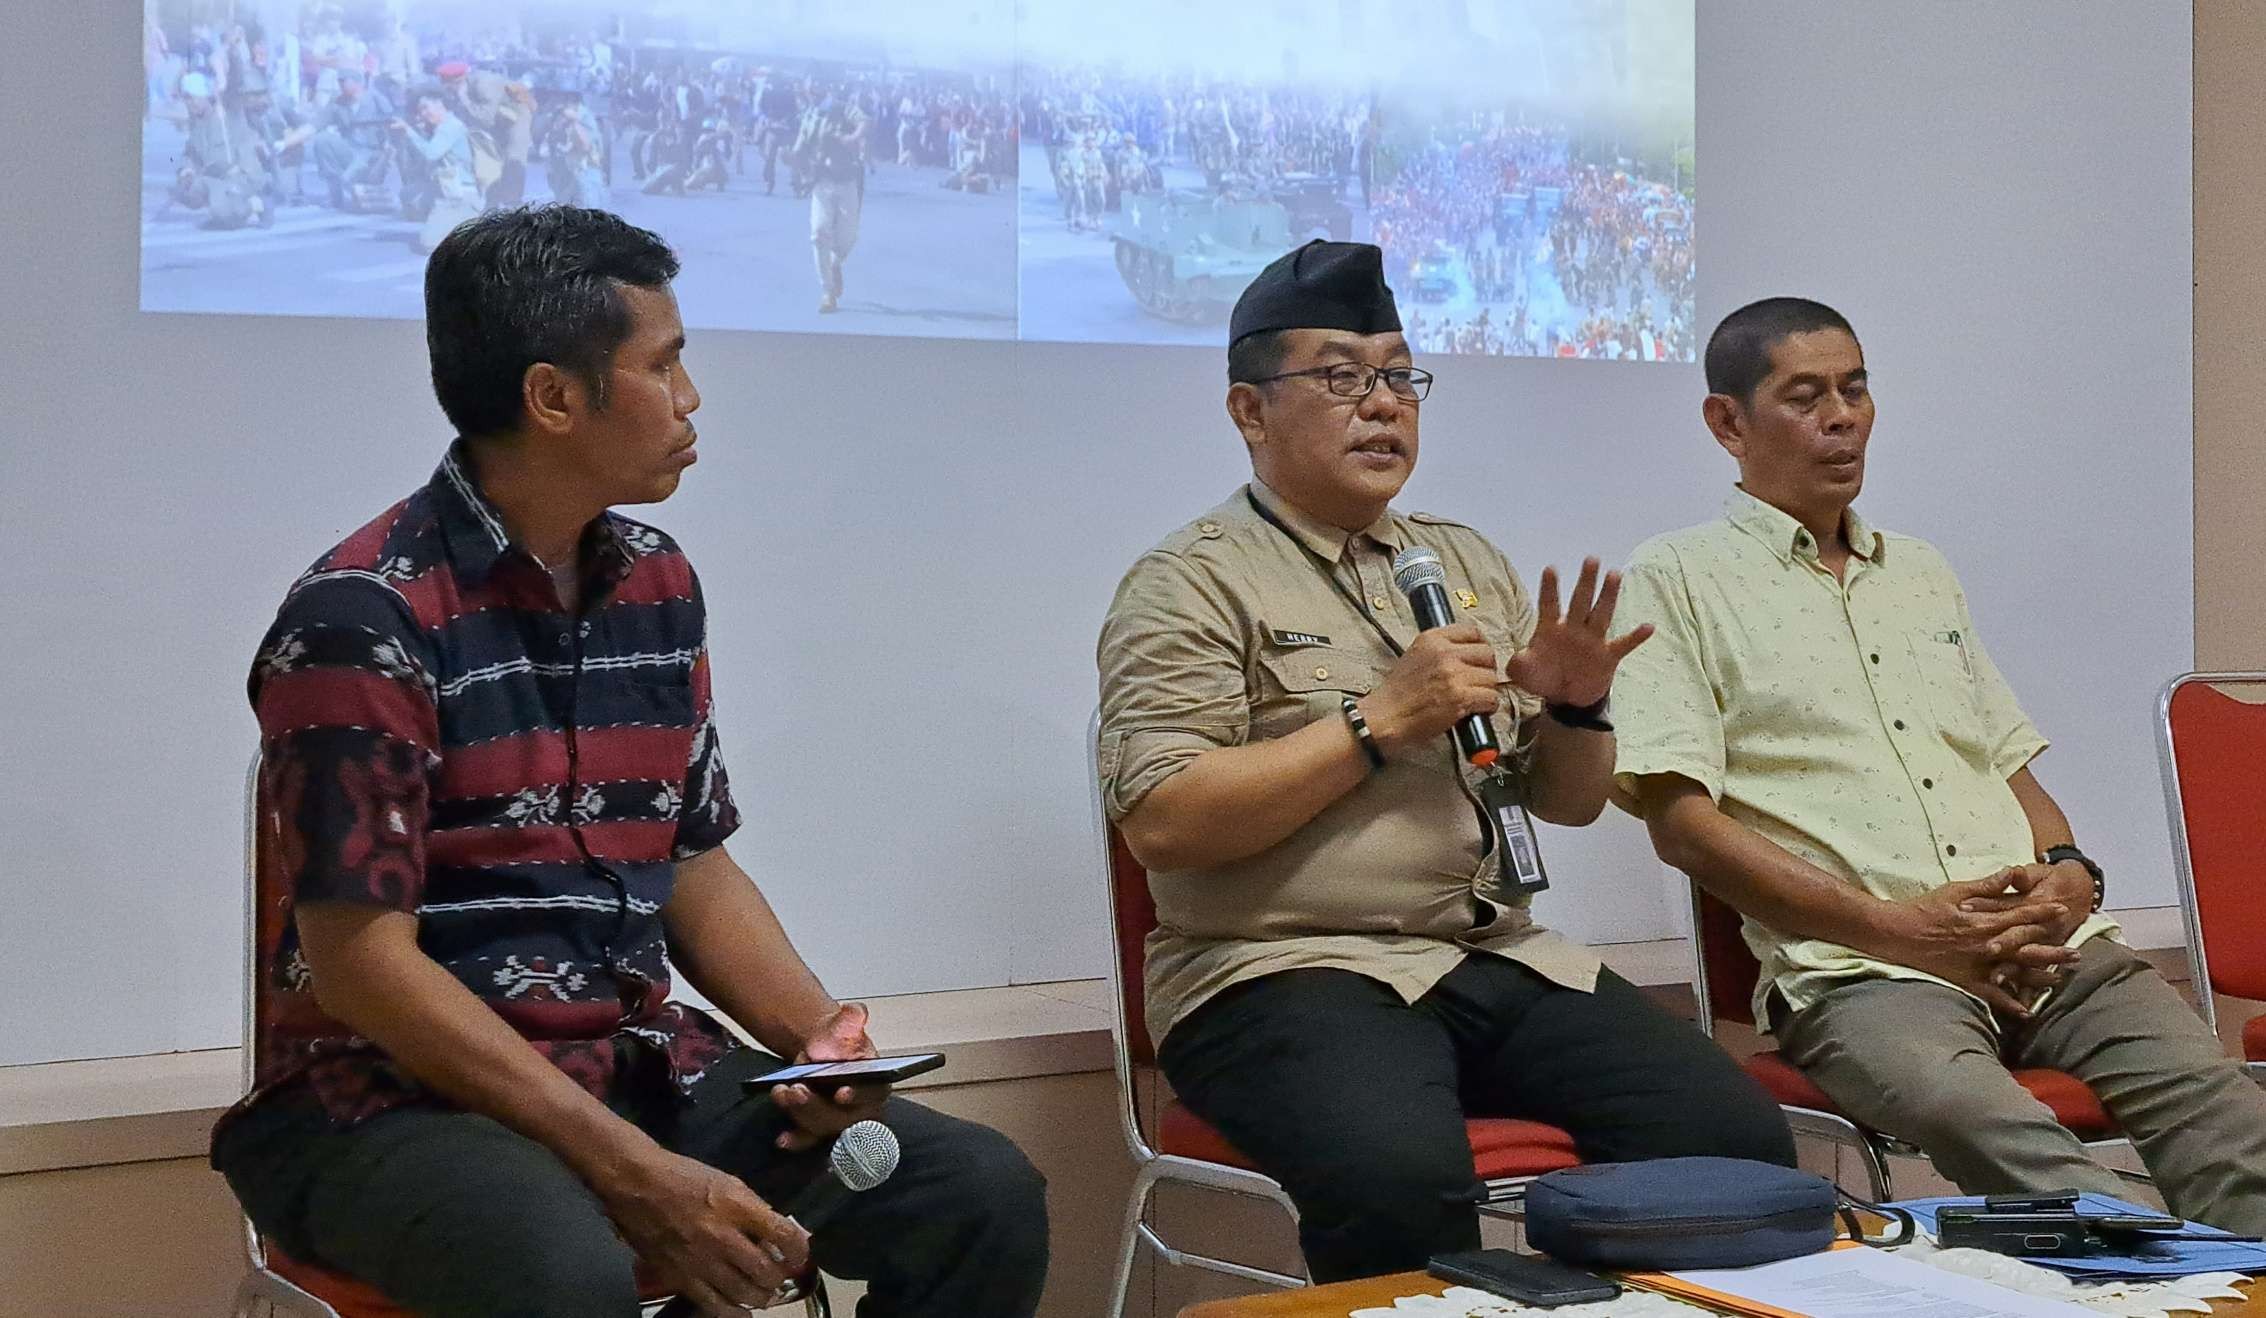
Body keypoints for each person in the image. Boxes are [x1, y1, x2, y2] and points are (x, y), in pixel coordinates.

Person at [211, 206, 1049, 1318]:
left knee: (977, 1189)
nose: (691, 399)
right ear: (555, 397)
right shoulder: (363, 618)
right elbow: (362, 964)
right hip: (384, 1102)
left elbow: (689, 859)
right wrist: (629, 1166)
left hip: (632, 1063)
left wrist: (815, 1043)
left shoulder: (654, 582)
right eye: (664, 365)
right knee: (559, 1270)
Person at [1096, 240, 1796, 1283]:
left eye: (1397, 376)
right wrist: (1376, 721)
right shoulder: (1187, 584)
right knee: (1397, 1180)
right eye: (1339, 377)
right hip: (1276, 971)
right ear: (1249, 410)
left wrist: (1575, 707)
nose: (1380, 406)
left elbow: (1561, 807)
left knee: (1734, 1143)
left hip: (1487, 955)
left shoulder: (1460, 563)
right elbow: (1162, 819)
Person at [1612, 297, 2266, 1231]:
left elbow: (2009, 770)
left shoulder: (1919, 572)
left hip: (2050, 951)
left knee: (2231, 1114)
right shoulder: (1675, 578)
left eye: (1856, 388)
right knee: (1988, 1123)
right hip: (1866, 973)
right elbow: (1681, 825)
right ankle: (2175, 1278)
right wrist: (1897, 931)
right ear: (1728, 424)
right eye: (1806, 396)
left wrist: (2072, 876)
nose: (1842, 416)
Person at [793, 92, 867, 313]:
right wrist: (794, 164)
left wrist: (852, 138)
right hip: (822, 181)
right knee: (819, 233)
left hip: (847, 180)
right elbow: (799, 151)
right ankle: (827, 291)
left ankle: (835, 263)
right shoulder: (807, 118)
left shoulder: (841, 107)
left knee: (848, 237)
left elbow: (864, 121)